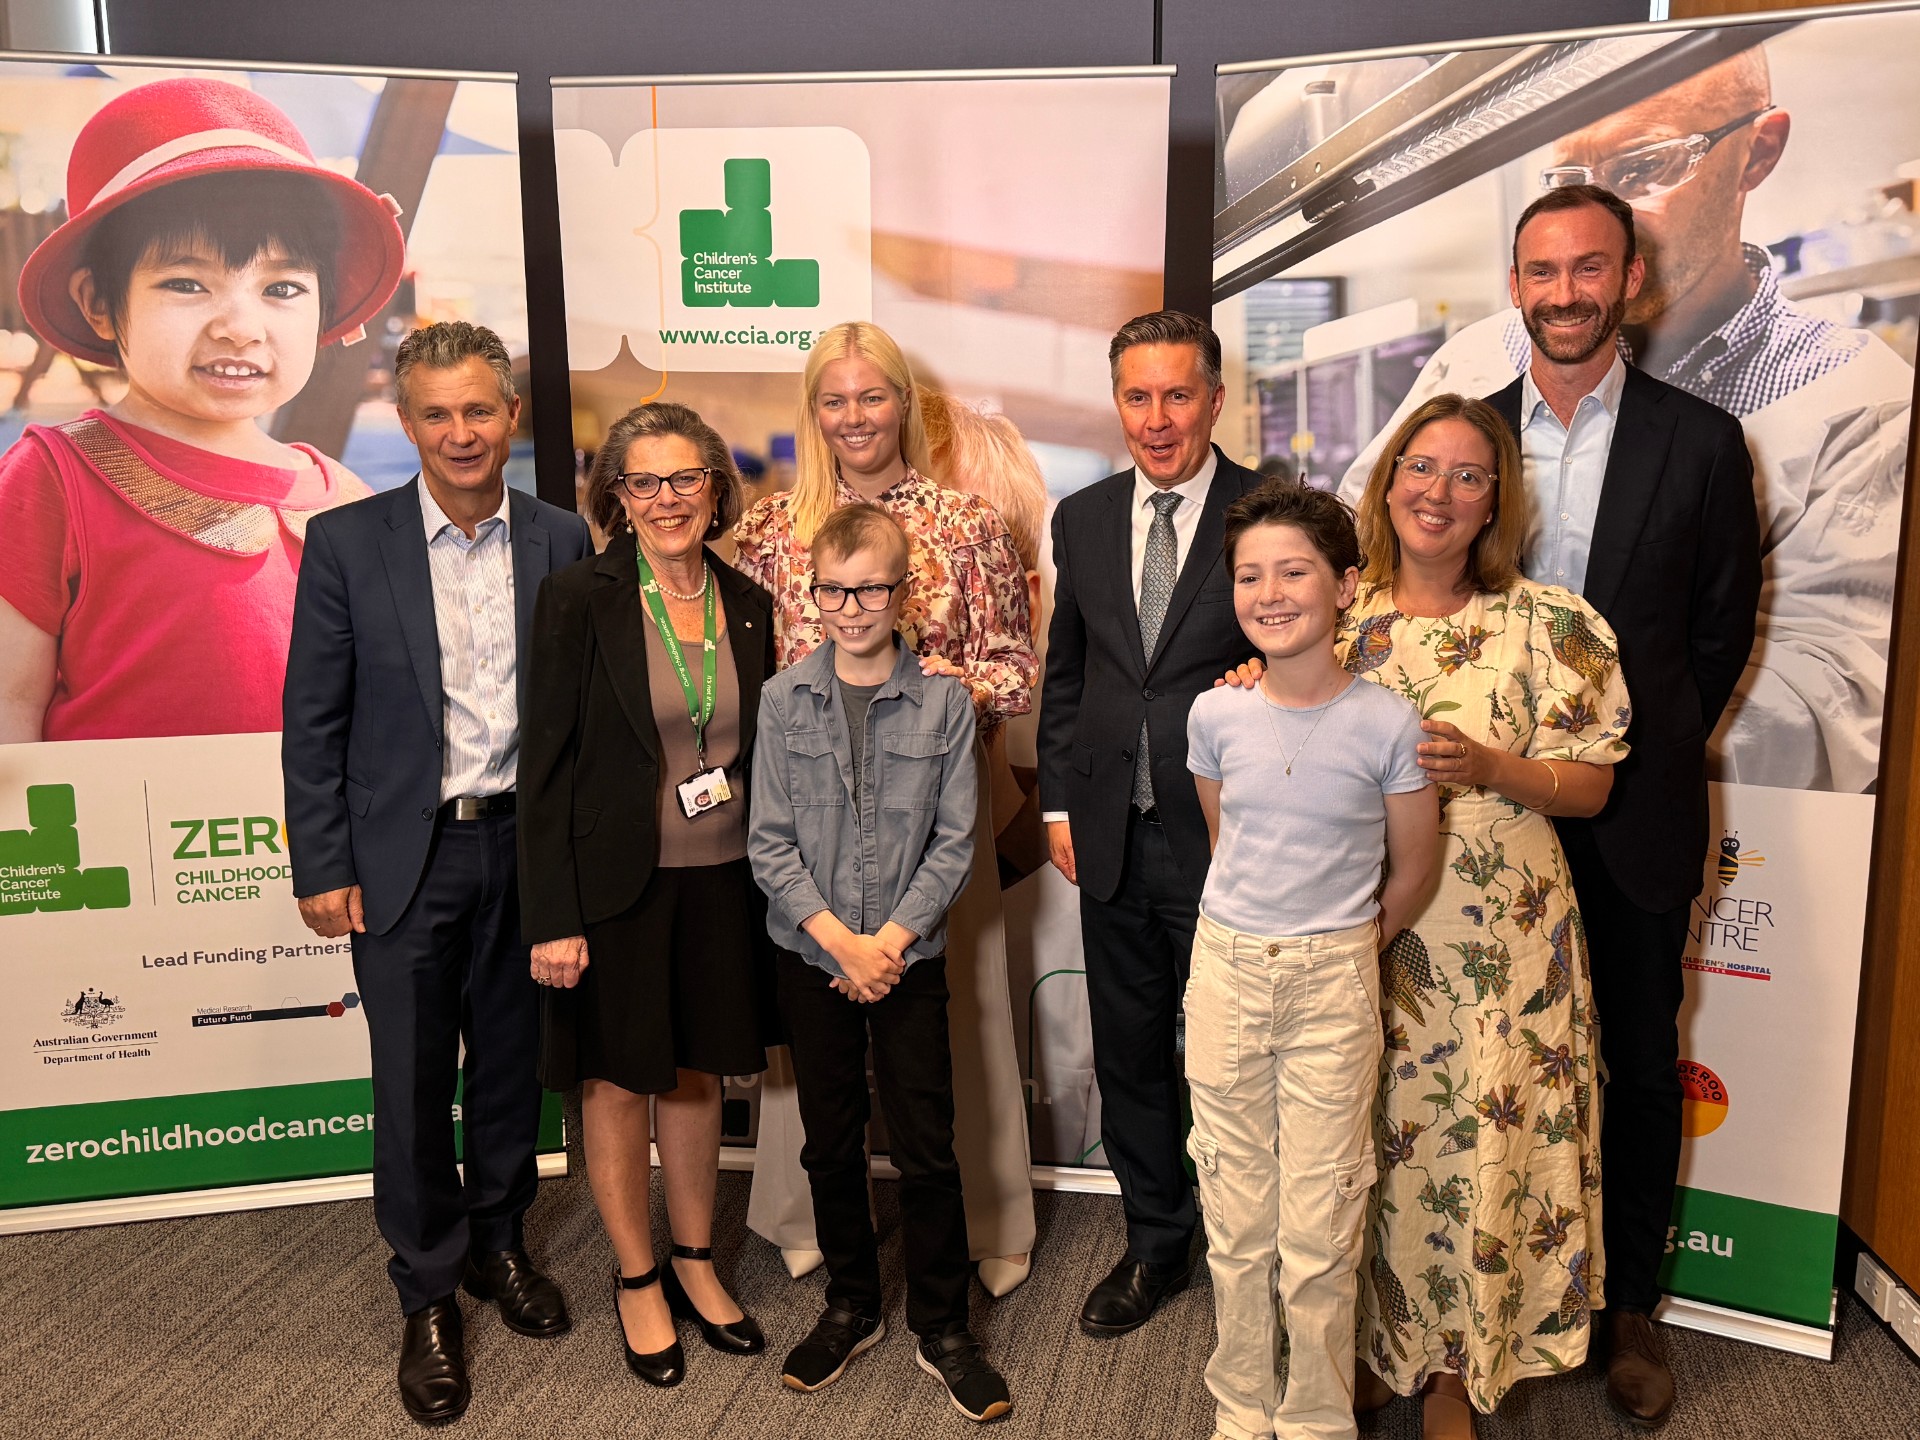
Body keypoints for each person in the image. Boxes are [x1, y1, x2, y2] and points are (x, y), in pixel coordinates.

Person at [1341, 46, 1907, 793]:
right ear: (1516, 282)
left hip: (1636, 804)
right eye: (1577, 181)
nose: (1602, 214)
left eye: (1644, 167)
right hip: (1460, 796)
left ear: (1757, 151)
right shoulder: (1478, 363)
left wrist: (1597, 751)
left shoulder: (1849, 397)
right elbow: (1365, 537)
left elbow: (1826, 686)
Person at [282, 321, 593, 1425]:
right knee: (412, 1082)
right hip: (402, 858)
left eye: (479, 409)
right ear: (405, 421)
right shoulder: (348, 543)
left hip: (525, 850)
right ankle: (426, 1290)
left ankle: (498, 1247)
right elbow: (313, 721)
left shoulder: (564, 539)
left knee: (513, 1068)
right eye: (436, 413)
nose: (461, 433)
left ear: (511, 415)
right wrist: (319, 860)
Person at [1340, 396, 1629, 1438]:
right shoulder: (1333, 622)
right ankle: (1379, 1343)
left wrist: (1494, 766)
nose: (1440, 493)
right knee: (1372, 1139)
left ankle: (1456, 1371)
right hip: (1370, 928)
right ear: (1388, 480)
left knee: (1477, 1147)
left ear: (1496, 502)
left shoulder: (1548, 627)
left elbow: (1592, 787)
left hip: (1506, 944)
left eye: (1470, 477)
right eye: (1423, 467)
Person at [735, 322, 1038, 1297]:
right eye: (836, 399)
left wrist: (913, 699)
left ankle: (994, 1218)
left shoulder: (968, 524)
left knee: (966, 1019)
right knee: (813, 1012)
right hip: (813, 807)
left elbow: (1010, 668)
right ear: (813, 410)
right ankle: (796, 1208)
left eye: (873, 397)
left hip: (944, 800)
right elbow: (746, 676)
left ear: (903, 403)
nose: (855, 417)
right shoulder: (769, 532)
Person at [0, 76, 405, 742]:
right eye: (187, 283)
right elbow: (10, 703)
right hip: (118, 841)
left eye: (282, 287)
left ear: (324, 310)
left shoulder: (347, 505)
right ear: (99, 302)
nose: (240, 326)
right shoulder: (54, 480)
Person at [518, 402, 776, 1387]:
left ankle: (697, 1261)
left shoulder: (747, 601)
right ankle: (636, 1276)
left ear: (715, 486)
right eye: (644, 481)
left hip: (722, 879)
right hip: (614, 887)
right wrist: (551, 915)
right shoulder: (578, 599)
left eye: (685, 479)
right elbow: (541, 768)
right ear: (615, 498)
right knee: (620, 1081)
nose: (667, 499)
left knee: (700, 1074)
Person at [1185, 479, 1439, 1440]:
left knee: (1324, 1221)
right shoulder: (1216, 716)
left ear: (1344, 583)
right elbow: (1228, 842)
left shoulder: (1389, 724)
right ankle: (1242, 1409)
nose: (1271, 592)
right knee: (1236, 1214)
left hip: (1335, 977)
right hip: (1228, 972)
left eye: (1295, 570)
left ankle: (1318, 1418)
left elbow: (1411, 869)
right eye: (1251, 575)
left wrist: (1343, 948)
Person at [748, 503, 1013, 1423]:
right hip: (813, 955)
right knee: (829, 1141)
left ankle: (944, 1326)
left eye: (870, 589)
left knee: (927, 1146)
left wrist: (888, 944)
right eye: (832, 589)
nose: (851, 607)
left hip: (907, 960)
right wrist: (840, 943)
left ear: (906, 593)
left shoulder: (944, 703)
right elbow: (769, 843)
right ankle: (853, 1303)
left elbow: (953, 844)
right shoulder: (782, 701)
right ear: (812, 594)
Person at [1037, 309, 1263, 1336]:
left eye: (1180, 394)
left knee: (1236, 1057)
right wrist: (1052, 799)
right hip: (1108, 834)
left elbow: (1319, 653)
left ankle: (1256, 1250)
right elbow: (1071, 671)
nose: (1159, 418)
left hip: (1231, 837)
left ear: (1215, 398)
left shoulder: (1276, 511)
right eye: (1139, 396)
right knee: (1129, 1050)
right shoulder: (1082, 518)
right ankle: (1154, 1243)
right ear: (1116, 401)